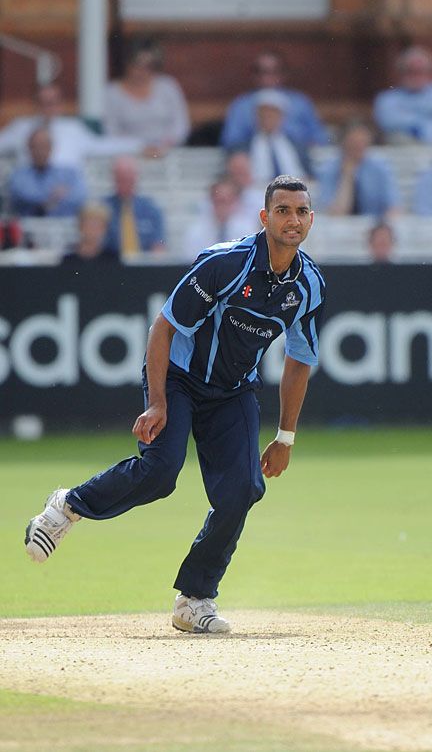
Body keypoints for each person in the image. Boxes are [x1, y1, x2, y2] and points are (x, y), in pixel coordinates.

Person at [24, 175, 325, 635]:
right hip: (179, 378)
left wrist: (285, 437)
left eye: (301, 211)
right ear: (264, 218)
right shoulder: (225, 264)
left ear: (310, 219)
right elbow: (163, 328)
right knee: (162, 471)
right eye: (283, 210)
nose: (293, 219)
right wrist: (158, 402)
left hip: (234, 391)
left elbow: (300, 360)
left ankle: (195, 599)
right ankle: (68, 506)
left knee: (242, 489)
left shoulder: (309, 285)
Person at [0, 82, 141, 167]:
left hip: (67, 198)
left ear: (60, 104)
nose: (47, 107)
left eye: (51, 102)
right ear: (35, 104)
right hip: (30, 198)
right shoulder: (21, 127)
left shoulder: (73, 129)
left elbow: (103, 145)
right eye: (42, 102)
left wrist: (140, 146)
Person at [220, 51, 328, 152]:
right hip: (253, 162)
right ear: (253, 75)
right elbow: (231, 142)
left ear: (284, 74)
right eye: (262, 71)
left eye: (274, 71)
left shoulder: (301, 102)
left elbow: (320, 139)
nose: (268, 77)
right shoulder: (241, 105)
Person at [104, 39, 191, 157]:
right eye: (137, 65)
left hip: (168, 153)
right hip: (128, 156)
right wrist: (139, 147)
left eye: (148, 66)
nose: (142, 72)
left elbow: (181, 125)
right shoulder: (111, 93)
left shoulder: (168, 86)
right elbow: (110, 131)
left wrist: (165, 145)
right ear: (127, 63)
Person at [373, 46, 432, 144]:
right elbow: (388, 121)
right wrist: (429, 118)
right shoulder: (387, 98)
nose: (416, 76)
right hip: (408, 147)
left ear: (431, 72)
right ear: (401, 73)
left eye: (421, 71)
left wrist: (408, 114)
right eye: (411, 71)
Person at [317, 121, 401, 217]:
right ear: (344, 143)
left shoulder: (380, 168)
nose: (358, 147)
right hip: (339, 228)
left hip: (375, 224)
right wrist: (347, 176)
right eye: (354, 143)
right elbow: (336, 213)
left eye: (362, 143)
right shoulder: (329, 169)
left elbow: (393, 207)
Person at [7, 126, 87, 217]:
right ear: (28, 148)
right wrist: (55, 197)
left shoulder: (68, 172)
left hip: (65, 225)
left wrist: (45, 201)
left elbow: (80, 196)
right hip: (29, 225)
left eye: (44, 146)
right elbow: (24, 196)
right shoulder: (18, 174)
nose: (40, 151)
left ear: (51, 148)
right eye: (35, 146)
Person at [180, 178, 261, 262]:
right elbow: (191, 263)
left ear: (235, 202)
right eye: (218, 201)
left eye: (227, 201)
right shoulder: (196, 232)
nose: (222, 206)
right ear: (211, 202)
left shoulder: (248, 230)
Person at [102, 156, 166, 258]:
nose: (125, 184)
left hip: (144, 266)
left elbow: (158, 245)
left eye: (129, 179)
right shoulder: (103, 208)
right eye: (121, 179)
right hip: (111, 265)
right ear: (114, 179)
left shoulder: (151, 209)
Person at [247, 90, 314, 183]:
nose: (267, 118)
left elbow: (309, 173)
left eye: (272, 115)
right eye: (263, 115)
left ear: (282, 117)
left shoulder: (296, 144)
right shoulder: (245, 146)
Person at [61, 202, 119, 266]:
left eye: (97, 226)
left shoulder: (112, 260)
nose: (93, 231)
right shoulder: (68, 261)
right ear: (80, 226)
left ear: (105, 229)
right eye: (89, 225)